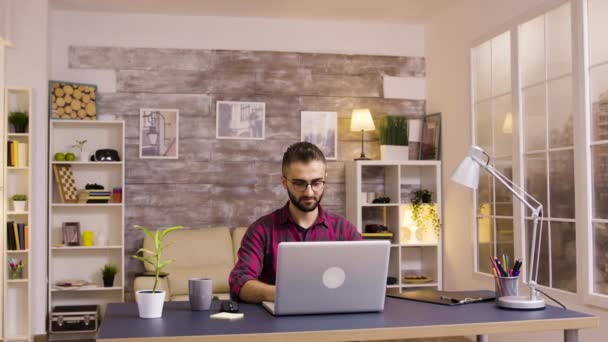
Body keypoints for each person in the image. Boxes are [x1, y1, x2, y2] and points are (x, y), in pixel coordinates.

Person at [229, 142, 361, 303]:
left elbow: (365, 277)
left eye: (317, 182)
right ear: (284, 182)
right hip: (278, 322)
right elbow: (240, 282)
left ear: (325, 178)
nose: (309, 192)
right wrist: (285, 294)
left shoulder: (344, 230)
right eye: (299, 183)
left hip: (333, 317)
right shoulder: (261, 230)